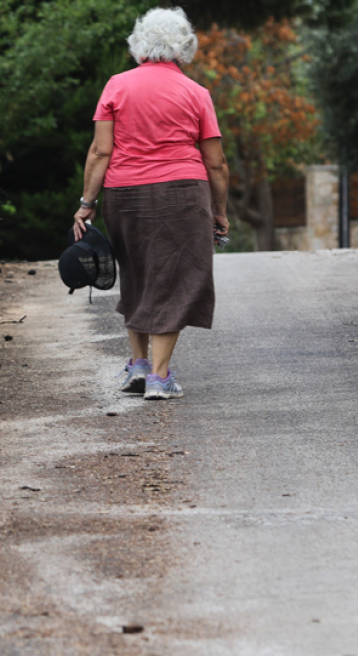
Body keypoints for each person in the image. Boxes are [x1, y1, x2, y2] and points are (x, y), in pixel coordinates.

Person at [72, 6, 229, 401]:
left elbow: (99, 152)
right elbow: (216, 162)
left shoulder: (116, 86)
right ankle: (159, 377)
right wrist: (219, 211)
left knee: (137, 273)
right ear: (183, 48)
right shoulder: (196, 93)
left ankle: (139, 366)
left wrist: (86, 202)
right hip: (183, 193)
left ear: (139, 44)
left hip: (125, 194)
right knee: (177, 278)